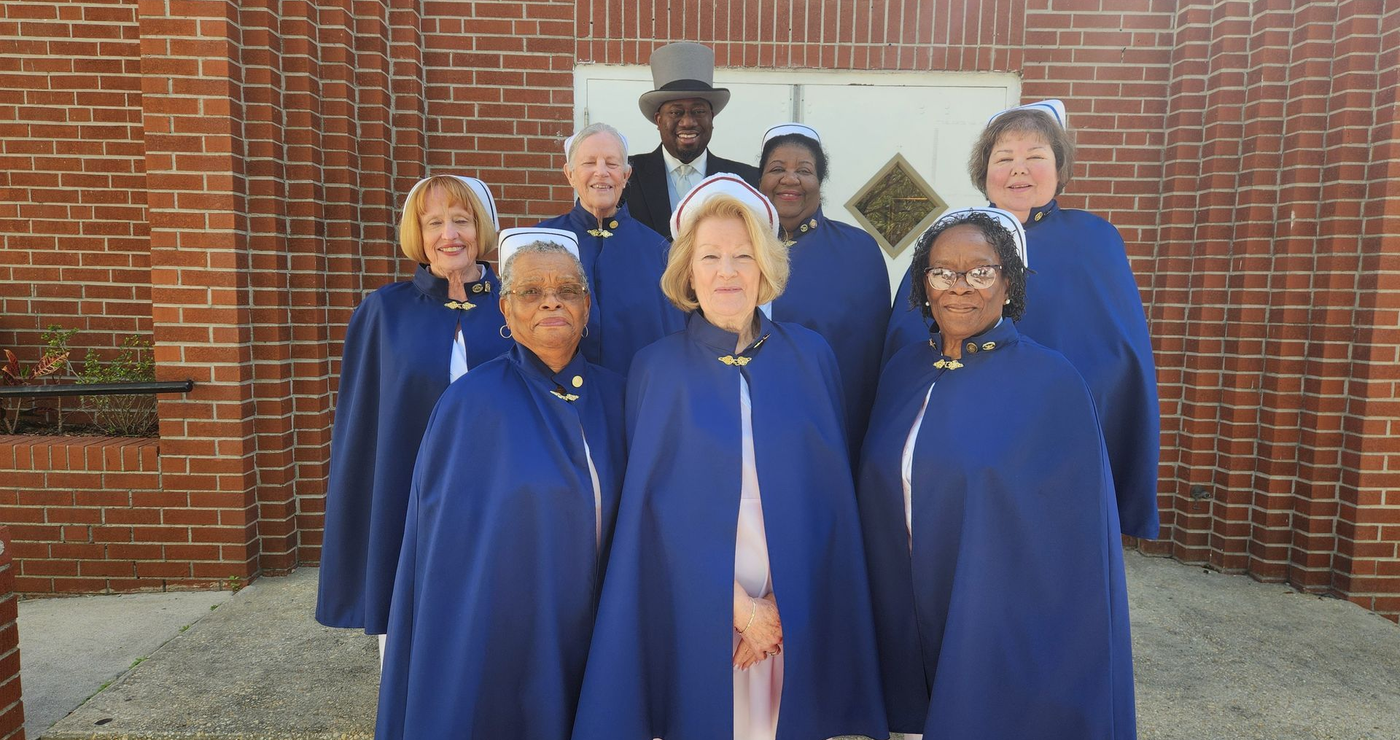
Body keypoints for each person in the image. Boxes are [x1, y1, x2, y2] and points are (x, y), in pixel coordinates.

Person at [572, 174, 888, 740]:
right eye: (710, 256)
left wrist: (786, 605)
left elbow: (829, 504)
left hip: (794, 606)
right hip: (697, 605)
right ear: (687, 272)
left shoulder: (812, 356)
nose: (727, 271)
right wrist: (741, 610)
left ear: (765, 268)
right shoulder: (655, 368)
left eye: (743, 256)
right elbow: (653, 516)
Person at [860, 208, 1137, 739]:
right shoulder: (902, 371)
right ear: (923, 284)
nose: (959, 287)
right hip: (906, 615)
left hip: (994, 624)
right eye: (943, 272)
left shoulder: (1052, 382)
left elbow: (1075, 548)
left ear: (1009, 283)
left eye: (981, 271)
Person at [375, 229, 626, 739]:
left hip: (607, 629)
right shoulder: (469, 405)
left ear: (587, 306)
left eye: (567, 290)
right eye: (531, 291)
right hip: (506, 633)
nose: (551, 300)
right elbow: (447, 563)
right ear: (506, 311)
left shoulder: (623, 397)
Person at [882, 99, 1162, 540]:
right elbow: (910, 341)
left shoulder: (1096, 240)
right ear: (983, 172)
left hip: (1057, 441)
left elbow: (1120, 356)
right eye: (1004, 158)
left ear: (1059, 168)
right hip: (960, 441)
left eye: (1035, 156)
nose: (1019, 169)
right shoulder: (949, 239)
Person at [316, 175, 513, 655]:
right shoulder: (384, 311)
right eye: (434, 223)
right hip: (409, 493)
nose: (450, 234)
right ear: (418, 235)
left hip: (500, 491)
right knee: (409, 635)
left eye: (462, 220)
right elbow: (363, 427)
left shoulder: (516, 304)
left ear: (481, 228)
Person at [757, 123, 890, 450]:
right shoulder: (736, 248)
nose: (790, 179)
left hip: (831, 429)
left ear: (820, 181)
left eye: (804, 170)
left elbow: (870, 361)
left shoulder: (859, 251)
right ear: (760, 180)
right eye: (777, 169)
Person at [537, 122, 685, 374]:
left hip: (634, 392)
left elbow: (675, 338)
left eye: (612, 163)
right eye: (589, 162)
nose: (601, 172)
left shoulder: (660, 251)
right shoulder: (539, 242)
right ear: (569, 174)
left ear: (626, 175)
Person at [624, 41, 762, 239]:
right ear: (658, 120)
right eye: (676, 112)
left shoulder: (745, 181)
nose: (688, 122)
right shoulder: (626, 177)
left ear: (711, 117)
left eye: (698, 111)